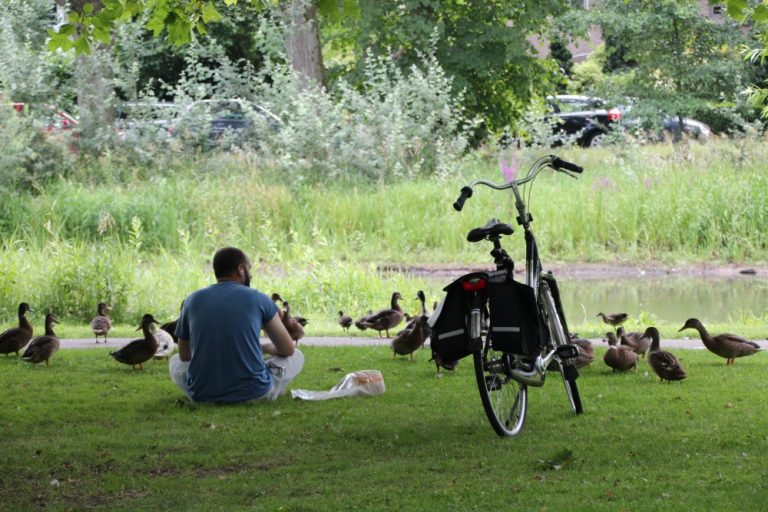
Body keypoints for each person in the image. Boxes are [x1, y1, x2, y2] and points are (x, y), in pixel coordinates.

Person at [169, 247, 303, 403]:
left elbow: (184, 356)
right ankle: (269, 390)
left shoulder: (192, 300)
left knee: (175, 361)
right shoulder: (259, 299)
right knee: (296, 355)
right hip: (255, 393)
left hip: (202, 395)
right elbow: (287, 349)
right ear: (240, 269)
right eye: (249, 268)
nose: (250, 274)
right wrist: (264, 348)